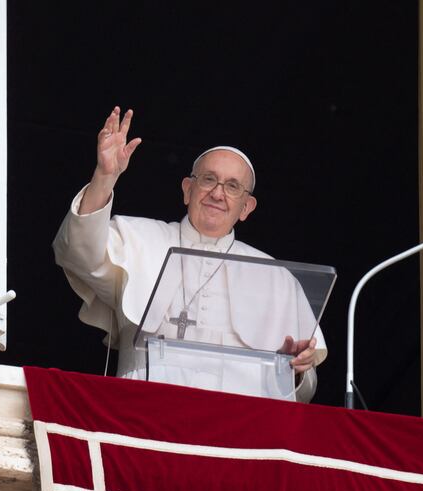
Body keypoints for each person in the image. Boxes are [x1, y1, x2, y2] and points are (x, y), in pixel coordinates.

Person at [53, 107, 326, 402]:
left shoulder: (276, 278)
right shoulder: (137, 238)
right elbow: (76, 251)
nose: (218, 193)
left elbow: (305, 390)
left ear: (247, 207)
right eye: (208, 179)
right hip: (143, 413)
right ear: (187, 190)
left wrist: (294, 370)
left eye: (233, 186)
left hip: (238, 432)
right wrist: (105, 177)